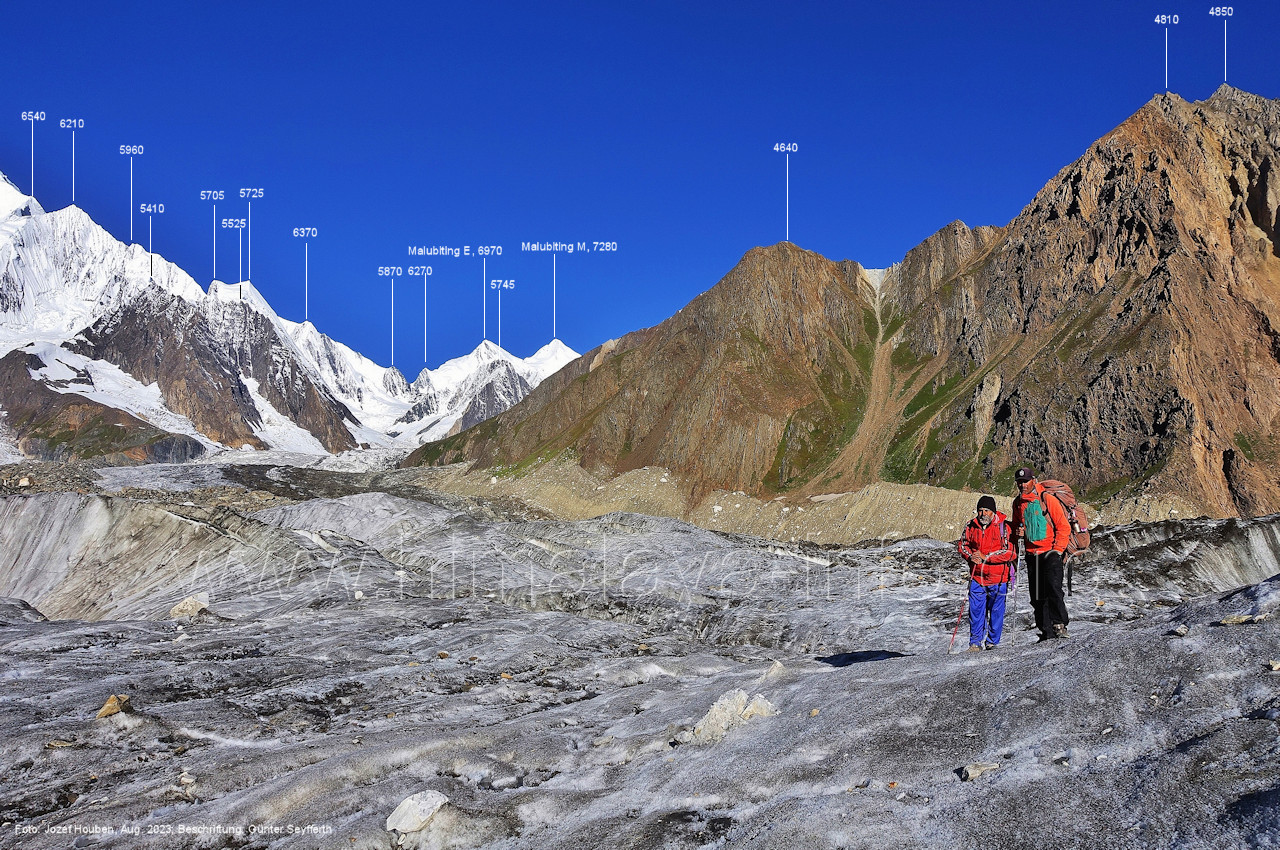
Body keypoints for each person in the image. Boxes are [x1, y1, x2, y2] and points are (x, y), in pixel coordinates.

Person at [1010, 466, 1071, 641]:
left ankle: (1059, 624)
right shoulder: (1017, 503)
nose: (1022, 485)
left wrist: (1057, 550)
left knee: (1053, 589)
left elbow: (1063, 526)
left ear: (1033, 480)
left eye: (1025, 481)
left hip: (1050, 552)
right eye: (1019, 482)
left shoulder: (1047, 499)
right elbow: (1016, 526)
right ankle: (1046, 631)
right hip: (1031, 554)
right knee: (1037, 596)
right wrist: (1019, 533)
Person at [957, 495, 1016, 651]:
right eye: (980, 510)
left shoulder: (1004, 528)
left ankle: (992, 642)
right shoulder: (970, 526)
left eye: (987, 510)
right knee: (975, 612)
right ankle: (975, 643)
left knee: (996, 612)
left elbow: (1010, 553)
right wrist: (971, 556)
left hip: (998, 578)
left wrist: (986, 557)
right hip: (977, 577)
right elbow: (963, 546)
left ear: (993, 512)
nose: (983, 514)